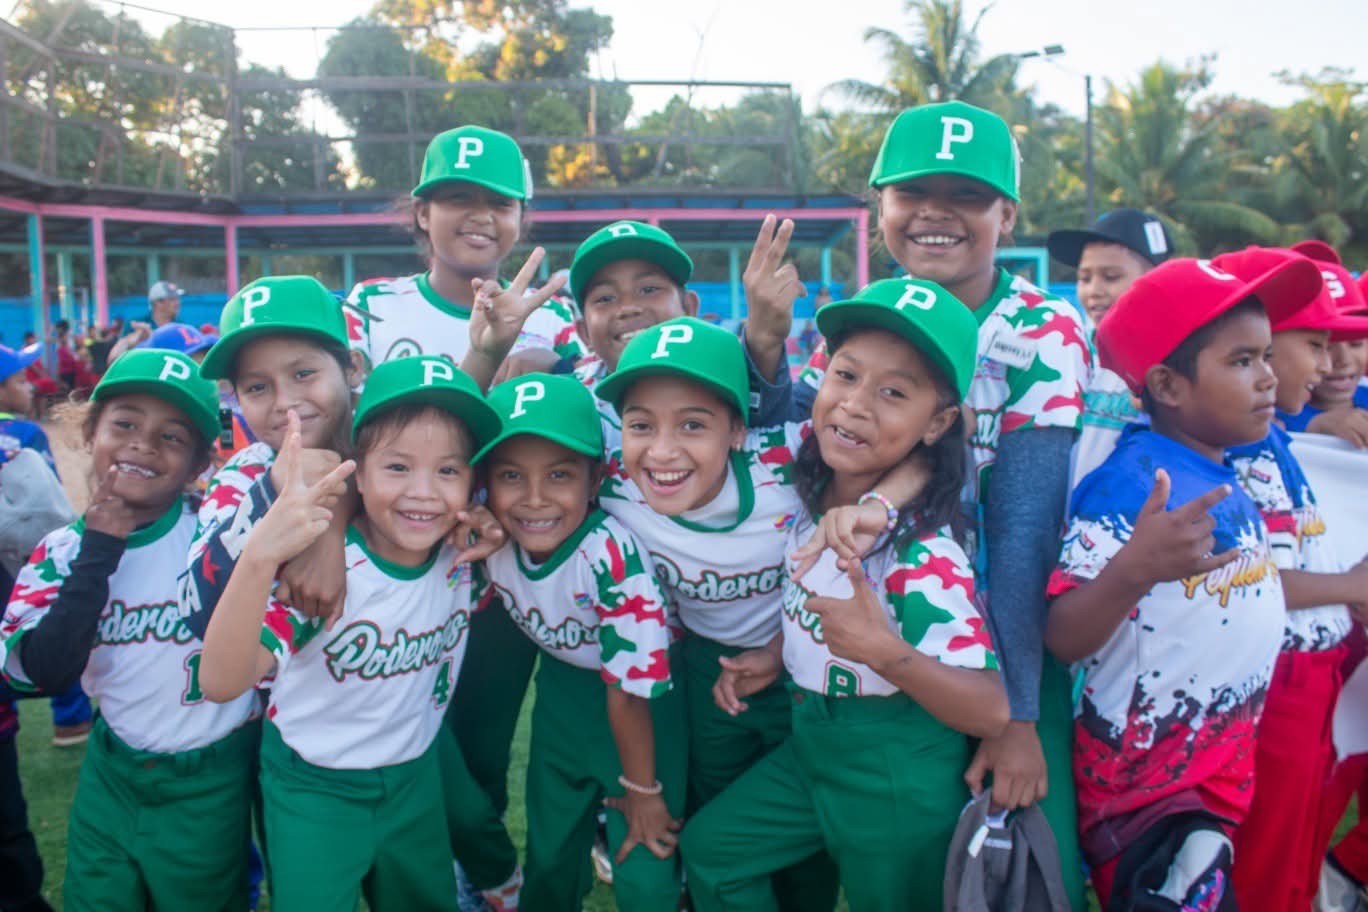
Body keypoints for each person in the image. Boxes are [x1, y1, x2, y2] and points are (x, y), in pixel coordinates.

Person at [752, 101, 1091, 906]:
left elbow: (1021, 526)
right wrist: (765, 339)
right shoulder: (873, 312)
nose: (936, 213)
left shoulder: (1044, 326)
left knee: (1015, 862)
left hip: (998, 637)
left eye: (967, 195)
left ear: (1008, 213)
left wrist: (1013, 719)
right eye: (913, 192)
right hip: (874, 621)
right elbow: (797, 440)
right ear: (881, 206)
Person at [681, 278, 1007, 911]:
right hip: (812, 743)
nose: (856, 405)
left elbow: (991, 709)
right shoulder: (808, 482)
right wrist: (780, 651)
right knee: (714, 851)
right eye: (846, 375)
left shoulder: (922, 556)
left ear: (938, 422)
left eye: (893, 393)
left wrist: (884, 651)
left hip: (892, 770)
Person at [1045, 255, 1323, 907]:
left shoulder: (1220, 469)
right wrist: (1135, 569)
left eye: (1265, 356)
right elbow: (1060, 634)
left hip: (1213, 780)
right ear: (1168, 386)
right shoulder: (1135, 487)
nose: (1268, 377)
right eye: (1242, 361)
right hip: (1148, 799)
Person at [198, 356, 499, 911]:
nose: (424, 492)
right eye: (398, 468)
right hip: (314, 789)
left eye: (449, 471)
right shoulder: (325, 574)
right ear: (357, 472)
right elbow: (220, 681)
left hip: (413, 776)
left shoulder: (463, 554)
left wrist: (494, 529)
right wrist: (261, 556)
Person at [0, 349, 259, 910]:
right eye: (124, 424)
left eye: (172, 436)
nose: (143, 443)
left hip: (210, 772)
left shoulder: (220, 539)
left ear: (197, 464)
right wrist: (100, 548)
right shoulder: (63, 551)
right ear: (90, 433)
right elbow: (45, 673)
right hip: (113, 769)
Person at [475, 371, 685, 910]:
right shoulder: (492, 538)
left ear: (594, 482)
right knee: (550, 860)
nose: (536, 499)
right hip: (562, 703)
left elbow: (633, 690)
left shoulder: (611, 555)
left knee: (645, 869)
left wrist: (643, 790)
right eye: (511, 476)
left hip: (645, 710)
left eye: (560, 475)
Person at [1210, 247, 1368, 912]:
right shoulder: (1239, 450)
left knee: (1293, 857)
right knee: (1267, 865)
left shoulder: (1272, 438)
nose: (1332, 364)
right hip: (1275, 682)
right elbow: (1246, 583)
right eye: (1315, 343)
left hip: (1309, 676)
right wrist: (1351, 587)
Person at [345, 125, 580, 379]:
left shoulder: (551, 315)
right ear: (423, 213)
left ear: (521, 219)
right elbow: (348, 412)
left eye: (501, 203)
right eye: (460, 198)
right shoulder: (370, 305)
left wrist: (559, 369)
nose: (481, 216)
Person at [1047, 208, 1175, 486]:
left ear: (1156, 278)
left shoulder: (1171, 362)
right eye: (1084, 278)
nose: (1094, 290)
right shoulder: (1069, 351)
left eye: (1111, 277)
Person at [1276, 248, 1368, 446]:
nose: (1342, 360)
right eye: (1322, 346)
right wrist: (1314, 425)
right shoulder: (1263, 417)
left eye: (1356, 343)